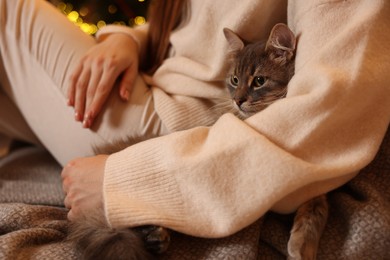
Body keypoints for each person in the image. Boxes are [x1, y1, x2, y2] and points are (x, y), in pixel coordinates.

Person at [0, 0, 389, 239]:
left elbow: (329, 108)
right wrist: (129, 40)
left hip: (174, 128)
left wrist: (131, 178)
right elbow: (192, 32)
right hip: (151, 87)